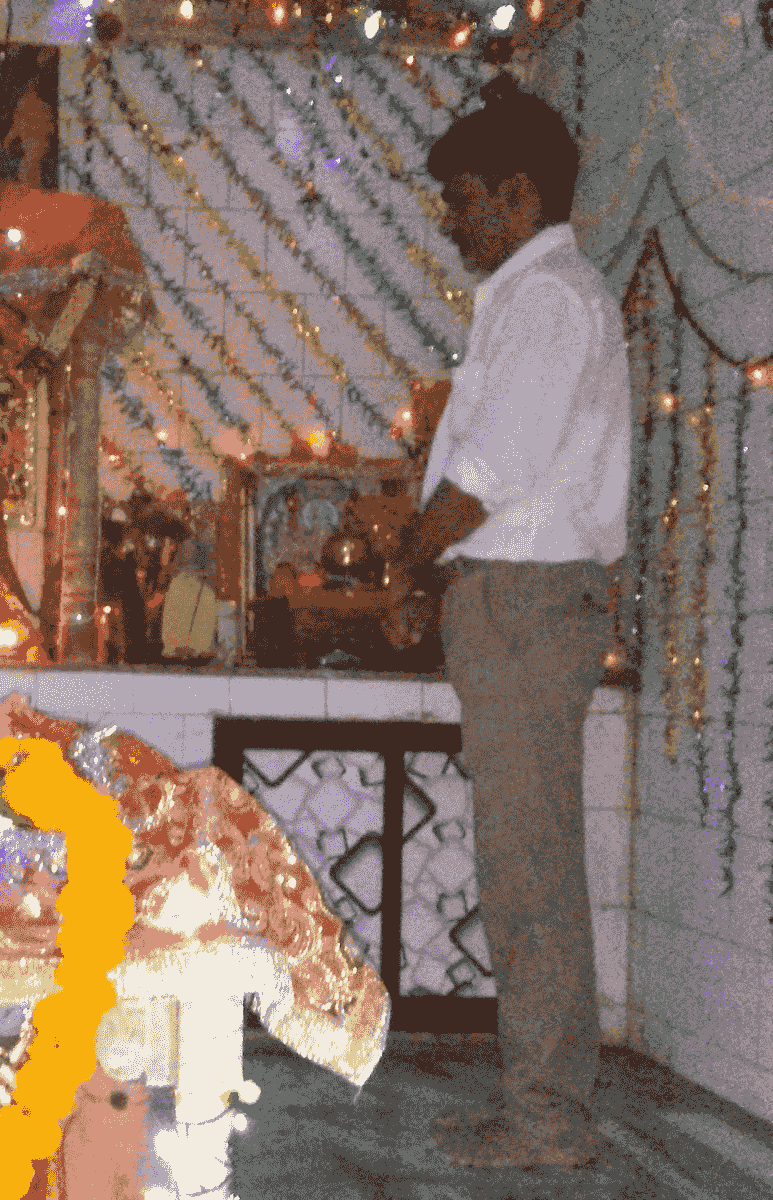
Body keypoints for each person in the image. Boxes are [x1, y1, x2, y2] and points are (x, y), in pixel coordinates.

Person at [382, 76, 630, 1169]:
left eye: (465, 196)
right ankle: (536, 1109)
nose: (451, 216)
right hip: (518, 603)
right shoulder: (539, 299)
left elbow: (488, 473)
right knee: (520, 863)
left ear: (520, 197)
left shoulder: (546, 302)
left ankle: (546, 1123)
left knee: (528, 867)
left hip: (526, 604)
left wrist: (404, 564)